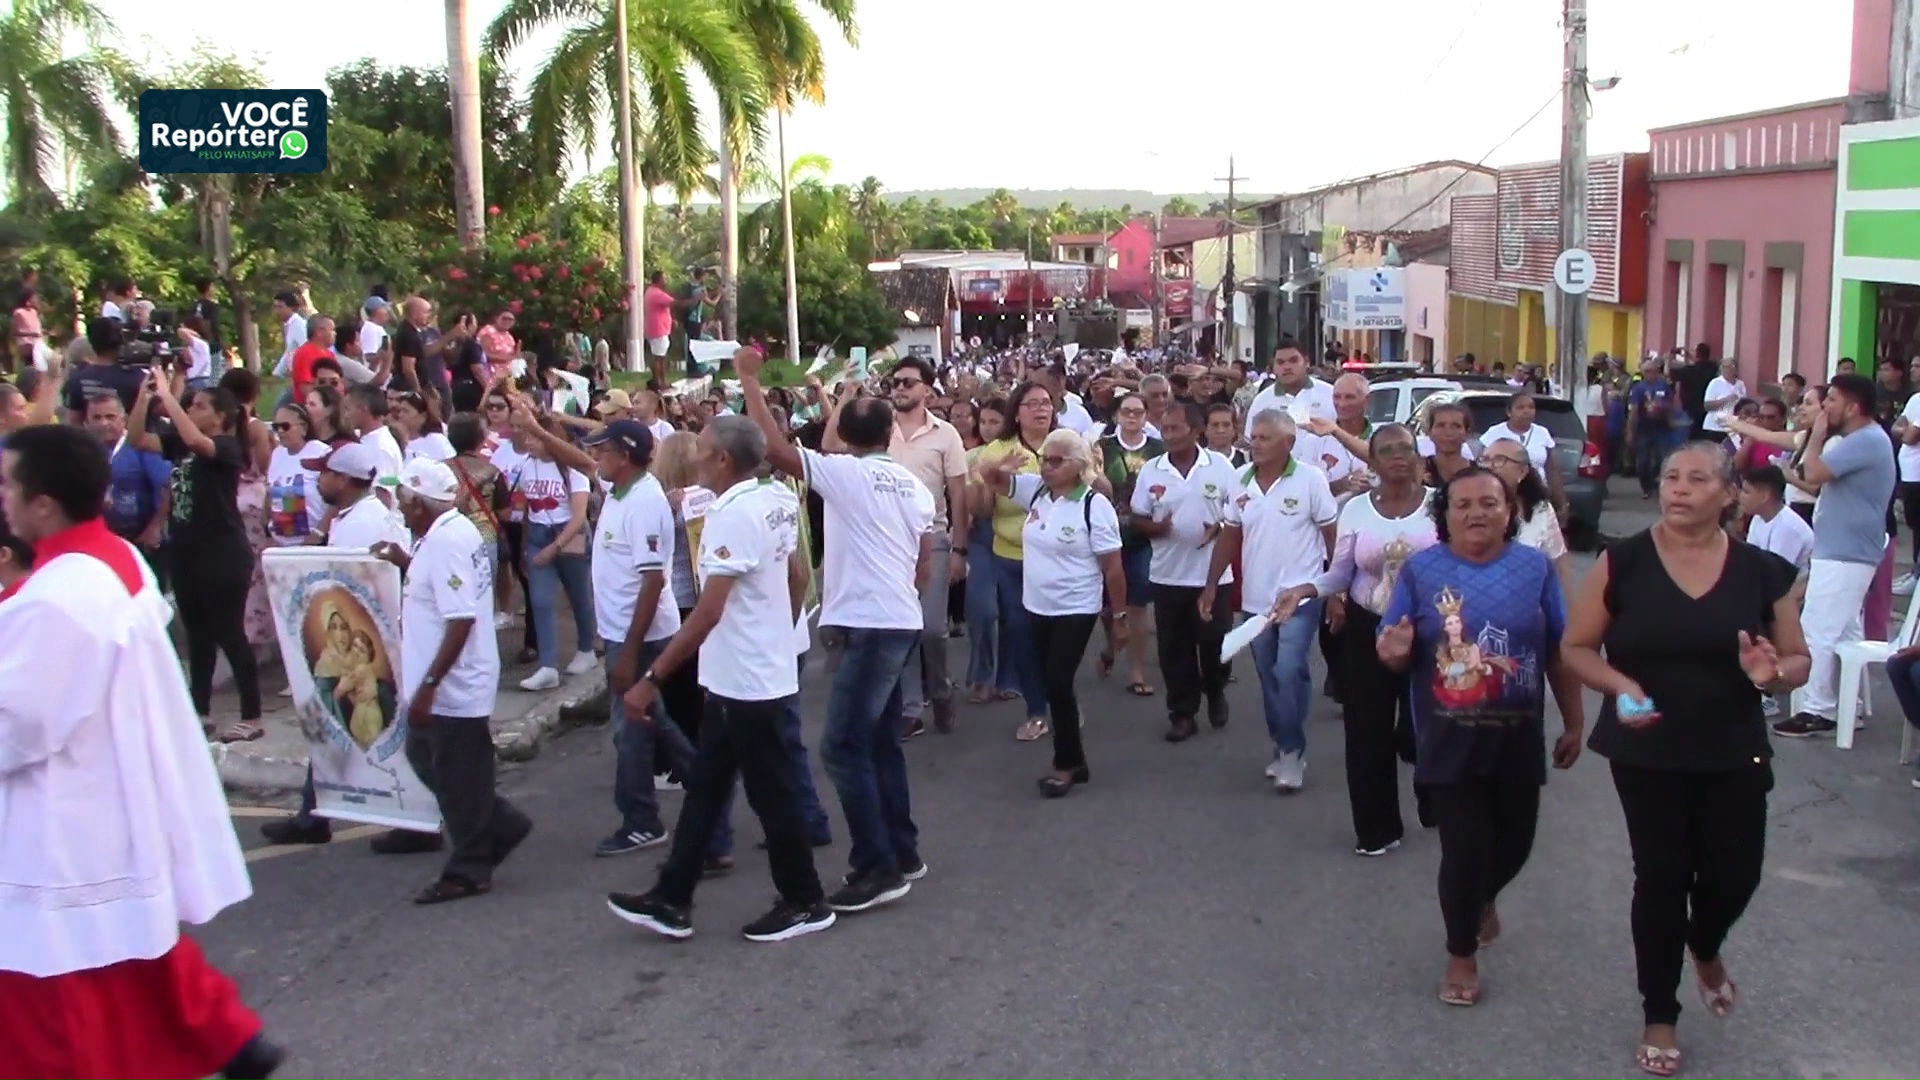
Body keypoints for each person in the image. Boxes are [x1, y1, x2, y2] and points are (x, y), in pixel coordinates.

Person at [0, 424, 284, 1080]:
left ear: (43, 503)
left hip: (66, 817)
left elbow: (19, 725)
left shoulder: (58, 599)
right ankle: (228, 1043)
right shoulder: (114, 557)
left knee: (61, 992)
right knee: (128, 954)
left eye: (8, 486)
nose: (2, 500)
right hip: (111, 790)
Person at [1560, 442, 1809, 1076]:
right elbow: (1578, 647)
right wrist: (1621, 685)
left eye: (1698, 479)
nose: (1678, 488)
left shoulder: (1761, 570)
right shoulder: (1624, 562)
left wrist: (1774, 673)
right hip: (1648, 749)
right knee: (1662, 877)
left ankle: (1705, 946)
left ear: (1729, 494)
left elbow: (1796, 657)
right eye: (1671, 476)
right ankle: (1660, 1015)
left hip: (1732, 744)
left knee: (1735, 874)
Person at [606, 416, 838, 943]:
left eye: (703, 451)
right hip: (744, 673)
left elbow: (709, 610)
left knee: (772, 795)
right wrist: (780, 632)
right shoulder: (778, 496)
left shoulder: (731, 515)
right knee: (706, 788)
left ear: (723, 461)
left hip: (750, 681)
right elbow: (797, 573)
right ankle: (672, 895)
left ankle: (804, 899)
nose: (694, 459)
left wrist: (652, 678)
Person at [1375, 465, 1585, 1009]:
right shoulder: (1422, 571)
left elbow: (1561, 648)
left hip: (1517, 736)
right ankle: (1461, 952)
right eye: (1462, 503)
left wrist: (1575, 720)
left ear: (1510, 511)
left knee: (1515, 844)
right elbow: (1391, 640)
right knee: (1464, 851)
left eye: (1488, 503)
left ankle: (1483, 897)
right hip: (1447, 738)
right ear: (1444, 515)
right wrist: (1393, 649)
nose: (1475, 513)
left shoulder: (1535, 568)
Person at [738, 346, 935, 913]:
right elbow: (923, 560)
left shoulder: (846, 474)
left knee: (843, 747)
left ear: (843, 434)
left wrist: (751, 384)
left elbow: (774, 450)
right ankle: (902, 850)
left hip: (871, 624)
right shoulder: (908, 485)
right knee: (878, 743)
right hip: (897, 617)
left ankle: (875, 866)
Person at [371, 459, 533, 904]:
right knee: (428, 758)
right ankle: (499, 825)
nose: (399, 508)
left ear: (419, 504)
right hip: (441, 682)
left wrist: (429, 685)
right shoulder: (440, 535)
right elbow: (440, 593)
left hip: (453, 685)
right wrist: (404, 561)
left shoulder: (446, 542)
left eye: (403, 500)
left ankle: (470, 867)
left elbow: (460, 619)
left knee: (458, 774)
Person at [257, 443, 414, 848]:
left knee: (365, 729)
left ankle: (412, 821)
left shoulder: (365, 523)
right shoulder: (352, 517)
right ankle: (314, 816)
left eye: (324, 473)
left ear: (344, 479)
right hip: (356, 647)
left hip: (371, 648)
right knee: (332, 727)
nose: (318, 480)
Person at [979, 428, 1127, 796]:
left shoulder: (1095, 506)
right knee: (1050, 682)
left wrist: (1120, 617)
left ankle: (1066, 763)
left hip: (1076, 607)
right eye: (1045, 458)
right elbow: (991, 479)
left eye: (1057, 460)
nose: (1047, 466)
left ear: (1078, 466)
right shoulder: (1036, 492)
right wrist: (1002, 464)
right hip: (1037, 605)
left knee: (1058, 681)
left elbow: (1113, 567)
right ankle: (1075, 759)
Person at [1312, 424, 1438, 855]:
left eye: (1406, 448)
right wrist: (1309, 592)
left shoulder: (1442, 507)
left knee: (1427, 727)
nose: (1398, 456)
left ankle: (1434, 791)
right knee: (1367, 731)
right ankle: (1377, 829)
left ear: (1420, 456)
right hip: (1371, 628)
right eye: (1387, 450)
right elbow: (1340, 573)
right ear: (1373, 461)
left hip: (1434, 632)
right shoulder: (1357, 510)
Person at [1201, 409, 1338, 793]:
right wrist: (1211, 584)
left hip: (1301, 596)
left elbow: (1332, 535)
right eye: (1253, 437)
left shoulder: (1311, 479)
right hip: (1257, 601)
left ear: (1288, 443)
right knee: (1269, 678)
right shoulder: (1241, 481)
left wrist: (1337, 589)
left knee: (1288, 669)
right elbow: (1229, 536)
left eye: (1264, 438)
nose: (1255, 444)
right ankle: (1282, 744)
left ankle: (1293, 752)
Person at [126, 370, 261, 742]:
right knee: (198, 636)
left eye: (200, 406)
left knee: (228, 632)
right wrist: (144, 397)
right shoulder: (181, 445)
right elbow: (137, 437)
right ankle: (199, 709)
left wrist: (169, 397)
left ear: (220, 417)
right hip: (187, 551)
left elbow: (198, 441)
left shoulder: (227, 448)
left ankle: (252, 715)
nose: (191, 408)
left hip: (223, 553)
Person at [584, 420, 699, 857]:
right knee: (657, 723)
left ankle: (641, 820)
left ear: (626, 455)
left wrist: (629, 653)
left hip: (641, 636)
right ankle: (708, 788)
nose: (596, 458)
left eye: (603, 451)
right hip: (623, 633)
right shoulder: (619, 491)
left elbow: (652, 582)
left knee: (630, 730)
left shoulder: (645, 503)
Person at [1774, 374, 1896, 739]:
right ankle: (1847, 706)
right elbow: (1812, 480)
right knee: (1843, 632)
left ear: (1852, 407)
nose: (1824, 407)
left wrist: (1816, 433)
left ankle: (1818, 709)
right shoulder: (1864, 440)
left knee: (1818, 629)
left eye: (1831, 401)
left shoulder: (1865, 440)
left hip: (1846, 553)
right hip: (1844, 550)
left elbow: (1813, 471)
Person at [865, 356, 967, 736]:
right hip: (889, 546)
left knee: (932, 629)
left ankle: (940, 691)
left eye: (909, 382)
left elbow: (958, 495)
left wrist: (960, 549)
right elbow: (831, 444)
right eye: (896, 382)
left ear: (927, 387)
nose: (901, 388)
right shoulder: (879, 430)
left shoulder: (946, 435)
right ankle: (910, 708)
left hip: (935, 539)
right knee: (901, 628)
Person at [1130, 402, 1236, 741]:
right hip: (1168, 575)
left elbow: (1238, 514)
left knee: (1215, 642)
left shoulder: (1220, 466)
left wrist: (1218, 525)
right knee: (1174, 649)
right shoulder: (1152, 470)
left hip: (1213, 575)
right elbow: (1137, 517)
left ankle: (1215, 688)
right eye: (1165, 430)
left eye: (1177, 429)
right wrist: (1154, 528)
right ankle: (1182, 713)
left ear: (1196, 430)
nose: (1170, 436)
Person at [972, 380, 1056, 741]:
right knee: (1022, 634)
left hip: (1059, 560)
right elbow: (980, 510)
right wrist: (993, 477)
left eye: (1047, 402)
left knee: (1056, 639)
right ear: (1017, 413)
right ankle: (1037, 710)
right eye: (1033, 403)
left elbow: (1094, 491)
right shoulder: (995, 450)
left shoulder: (1067, 444)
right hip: (1012, 558)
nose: (1042, 409)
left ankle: (1061, 701)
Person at [507, 412, 598, 690]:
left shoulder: (571, 471)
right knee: (541, 600)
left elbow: (579, 516)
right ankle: (548, 665)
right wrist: (525, 546)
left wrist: (555, 547)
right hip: (537, 534)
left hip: (567, 535)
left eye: (536, 437)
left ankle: (586, 648)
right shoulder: (526, 466)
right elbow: (526, 511)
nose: (530, 443)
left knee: (579, 595)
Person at [1095, 391, 1164, 695]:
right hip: (1107, 537)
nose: (1132, 417)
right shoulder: (1103, 447)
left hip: (1142, 536)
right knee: (1110, 608)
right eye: (1127, 411)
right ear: (1117, 416)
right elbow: (1091, 484)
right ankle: (1111, 647)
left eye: (1138, 411)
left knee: (1138, 605)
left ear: (1147, 416)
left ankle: (1136, 671)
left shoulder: (1158, 450)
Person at [91, 390, 172, 581]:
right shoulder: (85, 451)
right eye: (97, 417)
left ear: (124, 419)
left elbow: (166, 486)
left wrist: (155, 527)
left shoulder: (142, 446)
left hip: (142, 538)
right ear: (87, 421)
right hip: (103, 540)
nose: (103, 423)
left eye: (110, 417)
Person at [1242, 337, 1334, 443]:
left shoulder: (1330, 394)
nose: (1287, 367)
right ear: (1273, 367)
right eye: (1280, 362)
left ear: (1307, 362)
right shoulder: (1262, 401)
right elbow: (1251, 440)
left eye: (1293, 360)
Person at [1420, 400, 1478, 483]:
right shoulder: (1419, 471)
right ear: (1429, 432)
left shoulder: (1477, 473)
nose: (1448, 433)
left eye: (1456, 426)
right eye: (1441, 425)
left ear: (1467, 433)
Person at [1701, 359, 1746, 443]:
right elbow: (1707, 406)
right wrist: (1726, 400)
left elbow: (1744, 404)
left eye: (1730, 367)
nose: (1727, 369)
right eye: (1724, 367)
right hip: (1715, 427)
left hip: (1733, 428)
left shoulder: (1740, 384)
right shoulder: (1715, 383)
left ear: (1735, 369)